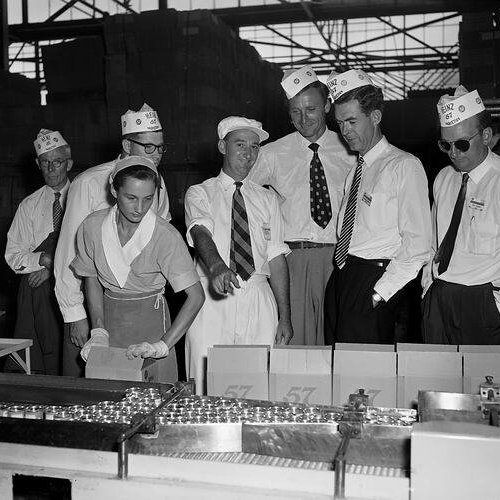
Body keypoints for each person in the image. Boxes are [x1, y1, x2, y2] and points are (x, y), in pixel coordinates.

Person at [421, 86, 500, 344]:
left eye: (462, 144)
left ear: (486, 135)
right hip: (439, 300)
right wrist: (428, 288)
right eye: (446, 145)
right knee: (436, 381)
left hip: (483, 305)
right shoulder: (444, 179)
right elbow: (433, 244)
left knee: (485, 383)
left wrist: (498, 310)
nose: (454, 153)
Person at [54, 103, 171, 376]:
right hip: (95, 301)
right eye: (148, 147)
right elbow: (68, 254)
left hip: (138, 303)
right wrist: (75, 315)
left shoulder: (157, 183)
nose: (156, 155)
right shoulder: (90, 183)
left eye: (160, 147)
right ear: (127, 146)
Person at [70, 156, 204, 382]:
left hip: (151, 325)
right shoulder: (92, 227)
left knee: (153, 399)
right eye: (131, 197)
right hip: (110, 320)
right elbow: (91, 277)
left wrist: (163, 345)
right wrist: (99, 331)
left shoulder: (165, 236)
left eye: (148, 199)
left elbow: (196, 296)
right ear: (114, 190)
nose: (139, 208)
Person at [184, 116, 293, 394]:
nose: (248, 153)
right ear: (222, 146)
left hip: (257, 296)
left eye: (255, 146)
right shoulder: (200, 193)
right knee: (205, 383)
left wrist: (285, 316)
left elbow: (277, 257)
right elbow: (200, 233)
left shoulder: (268, 199)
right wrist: (218, 267)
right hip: (213, 295)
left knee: (259, 384)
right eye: (240, 144)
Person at [248, 65, 355, 346]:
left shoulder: (350, 150)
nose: (304, 119)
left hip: (338, 257)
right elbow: (245, 198)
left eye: (311, 110)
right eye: (295, 111)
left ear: (328, 106)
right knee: (293, 344)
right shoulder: (271, 153)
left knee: (337, 340)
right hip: (292, 259)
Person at [324, 69, 432, 345]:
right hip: (343, 277)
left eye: (351, 121)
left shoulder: (404, 166)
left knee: (365, 377)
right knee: (339, 366)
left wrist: (380, 293)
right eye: (340, 123)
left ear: (375, 117)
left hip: (375, 279)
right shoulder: (357, 169)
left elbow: (418, 245)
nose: (345, 131)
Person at [5, 129, 72, 375]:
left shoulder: (84, 198)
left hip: (75, 287)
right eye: (45, 163)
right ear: (38, 164)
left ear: (69, 164)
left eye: (57, 162)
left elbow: (88, 246)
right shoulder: (29, 205)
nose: (51, 168)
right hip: (37, 296)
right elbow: (13, 255)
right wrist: (42, 259)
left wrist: (54, 268)